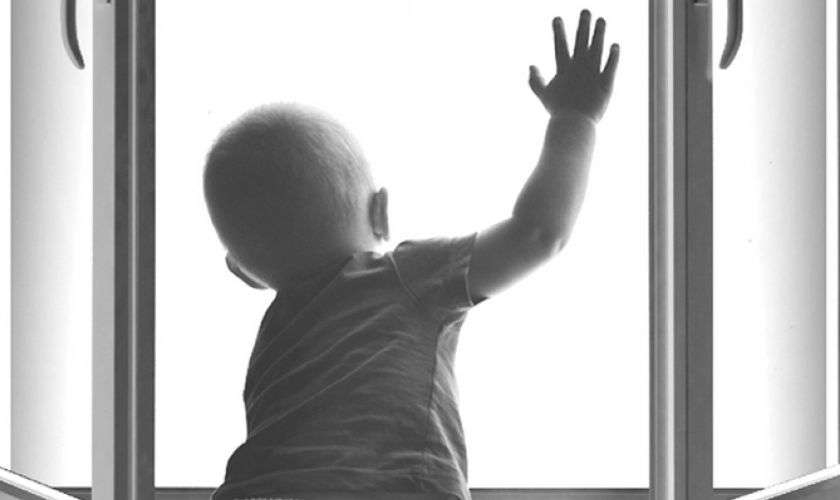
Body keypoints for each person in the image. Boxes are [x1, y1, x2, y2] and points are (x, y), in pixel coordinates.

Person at [203, 10, 619, 500]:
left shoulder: (276, 340)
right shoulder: (404, 275)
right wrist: (575, 119)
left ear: (244, 272)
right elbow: (538, 234)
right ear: (380, 212)